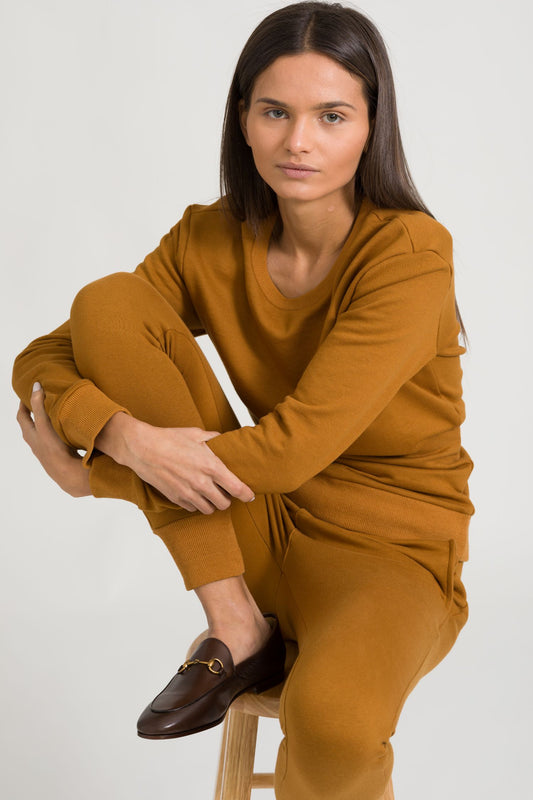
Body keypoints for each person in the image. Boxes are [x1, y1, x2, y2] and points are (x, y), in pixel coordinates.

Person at [12, 2, 474, 798]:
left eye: (331, 115)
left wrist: (105, 475)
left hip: (389, 555)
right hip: (252, 524)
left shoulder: (409, 254)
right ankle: (236, 623)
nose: (298, 142)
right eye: (275, 112)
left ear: (371, 125)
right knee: (111, 304)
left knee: (332, 724)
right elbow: (39, 361)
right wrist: (121, 433)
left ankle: (252, 631)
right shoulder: (208, 236)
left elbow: (293, 446)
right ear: (244, 121)